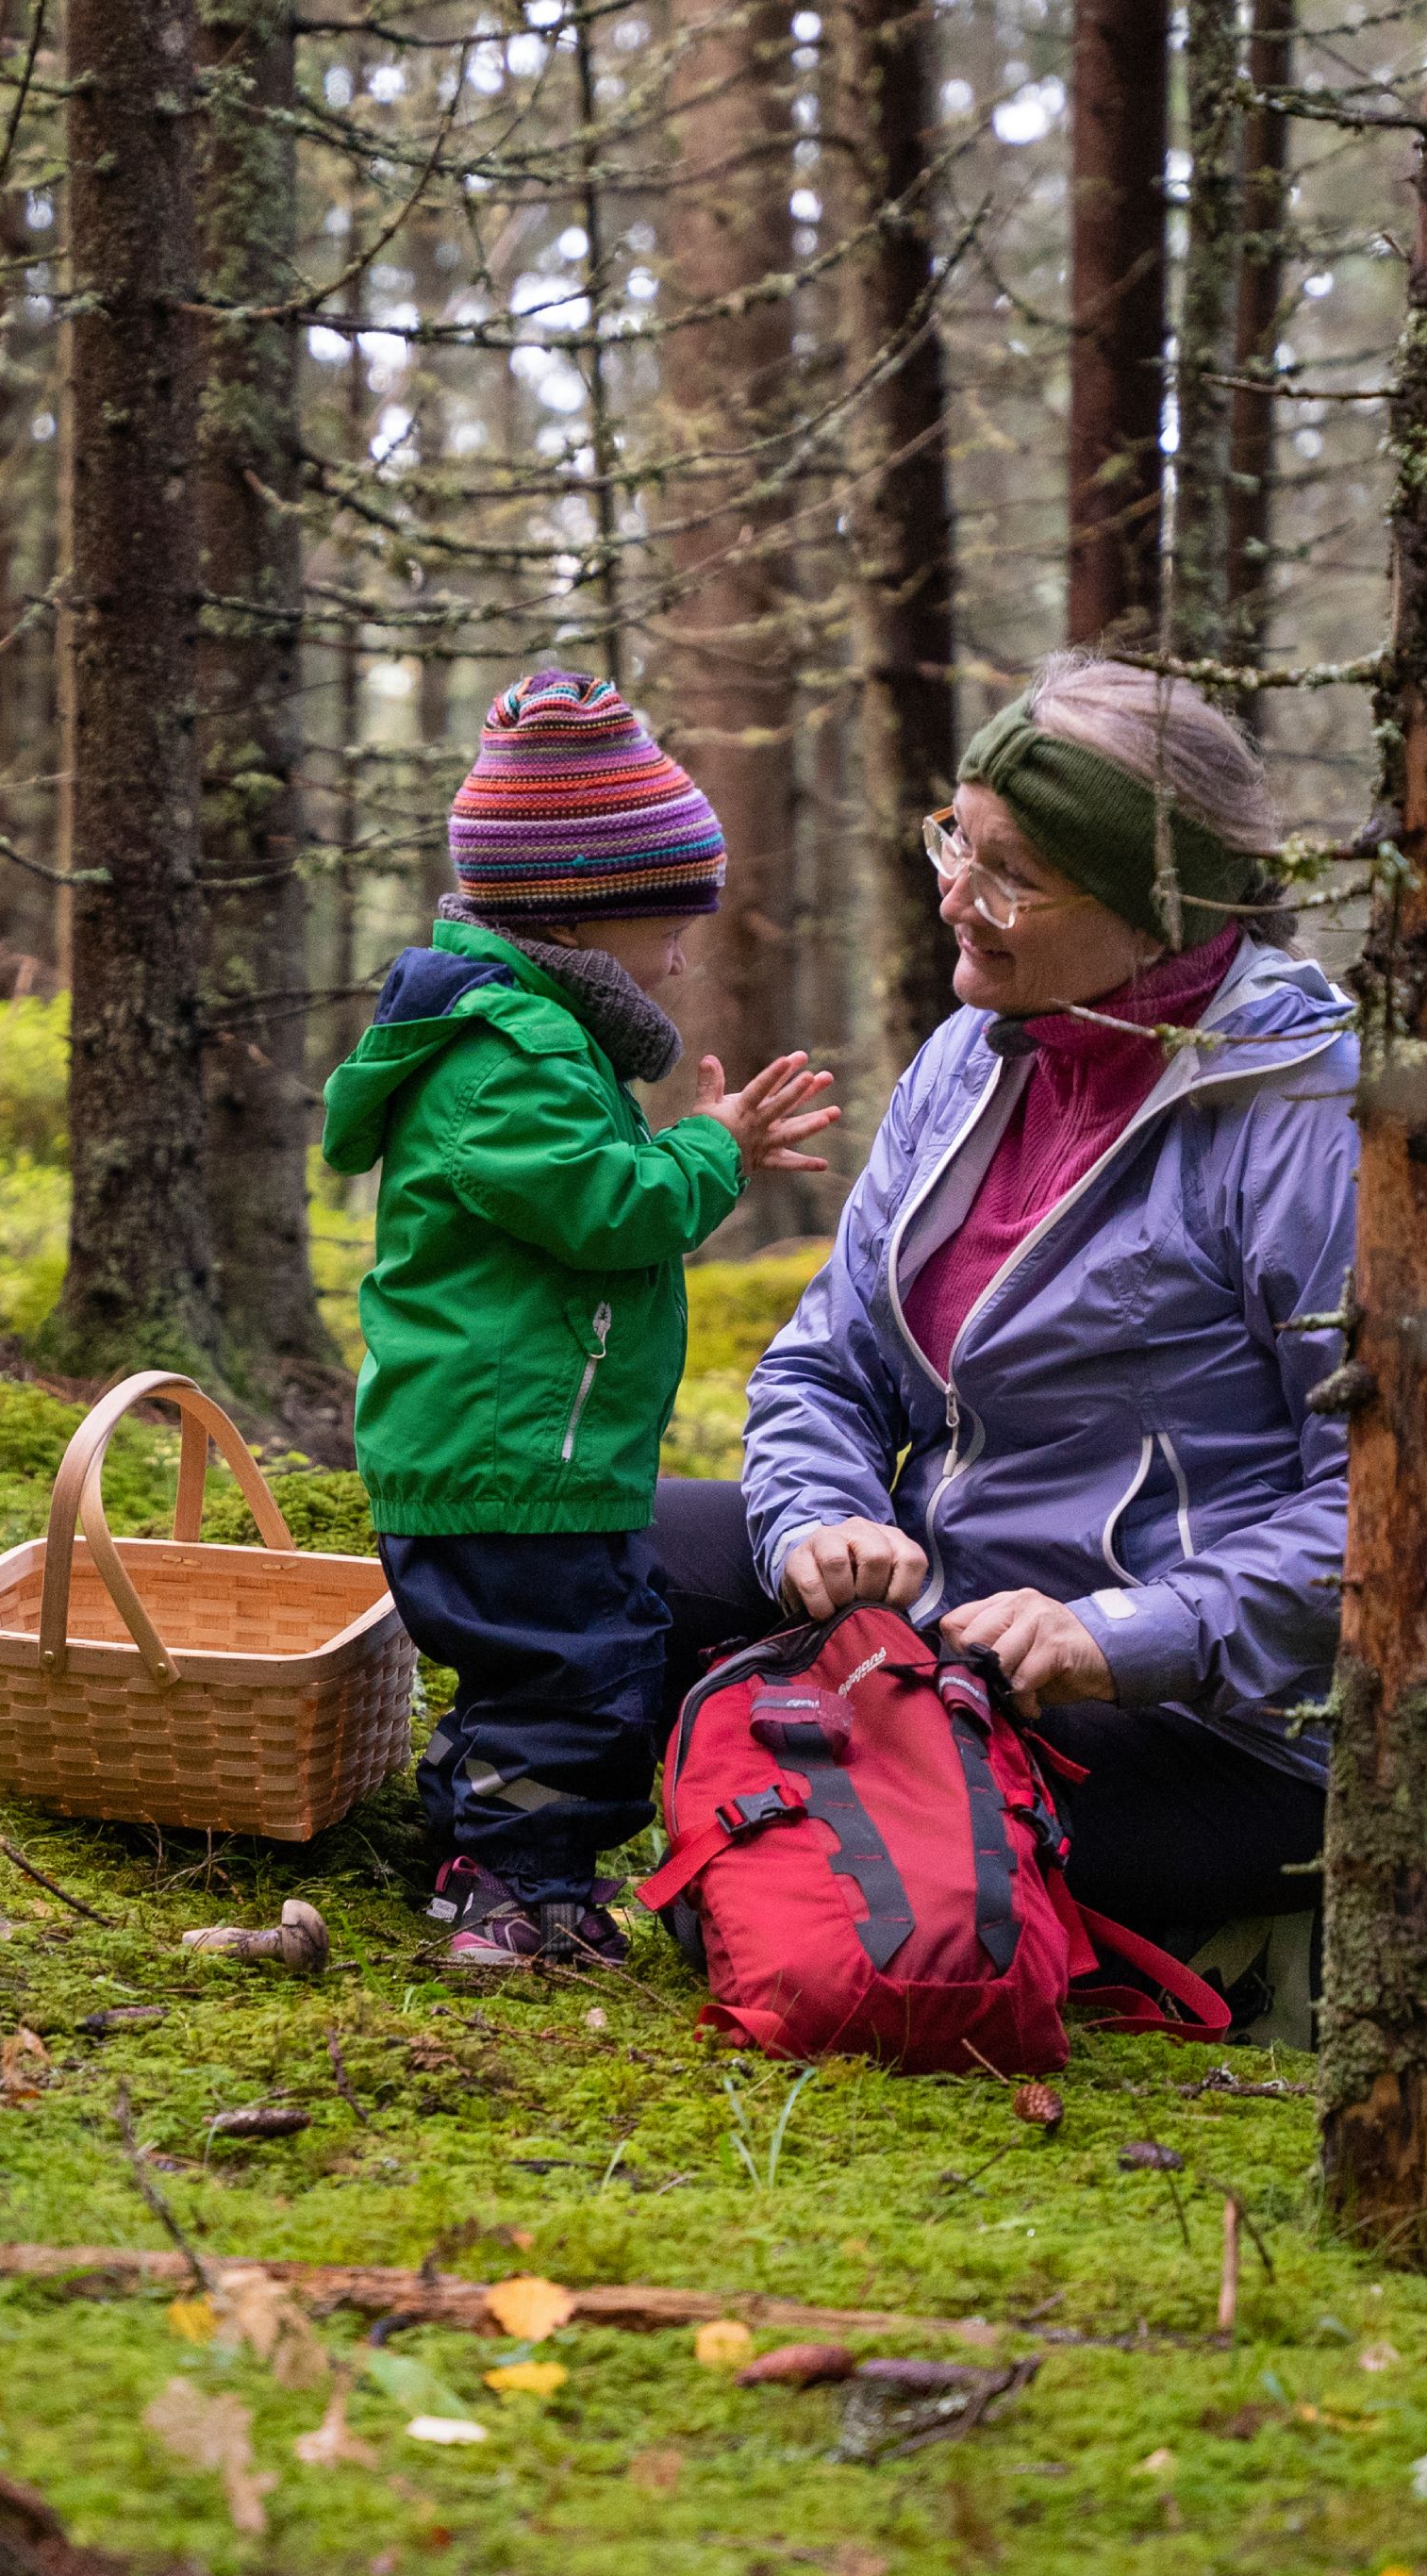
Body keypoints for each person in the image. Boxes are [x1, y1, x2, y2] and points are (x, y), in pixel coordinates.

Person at [653, 652, 1427, 1973]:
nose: (954, 897)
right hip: (954, 1624)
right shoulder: (979, 1047)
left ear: (1156, 913)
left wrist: (1119, 1634)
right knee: (589, 1555)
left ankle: (1176, 1920)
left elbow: (1421, 1496)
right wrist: (818, 1516)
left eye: (1012, 878)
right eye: (956, 843)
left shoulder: (1324, 1125)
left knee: (865, 1779)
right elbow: (828, 1359)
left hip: (1229, 1728)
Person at [321, 668, 839, 1967]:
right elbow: (614, 1211)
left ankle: (472, 1862)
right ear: (578, 913)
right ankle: (515, 1896)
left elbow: (584, 1203)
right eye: (667, 923)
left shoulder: (527, 1045)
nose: (681, 953)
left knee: (539, 1676)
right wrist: (710, 1150)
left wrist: (698, 1145)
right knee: (577, 1686)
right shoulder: (511, 1056)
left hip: (516, 1456)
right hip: (514, 1463)